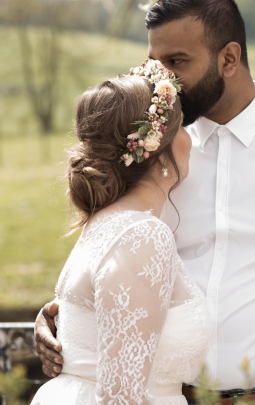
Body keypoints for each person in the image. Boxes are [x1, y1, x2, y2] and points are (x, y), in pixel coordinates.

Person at [35, 0, 255, 404]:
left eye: (177, 62)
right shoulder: (153, 152)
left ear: (229, 58)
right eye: (155, 63)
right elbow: (113, 252)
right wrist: (62, 315)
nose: (164, 80)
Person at [30, 62, 210, 405]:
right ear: (159, 154)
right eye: (183, 125)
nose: (192, 138)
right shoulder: (142, 235)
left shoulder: (105, 221)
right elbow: (121, 398)